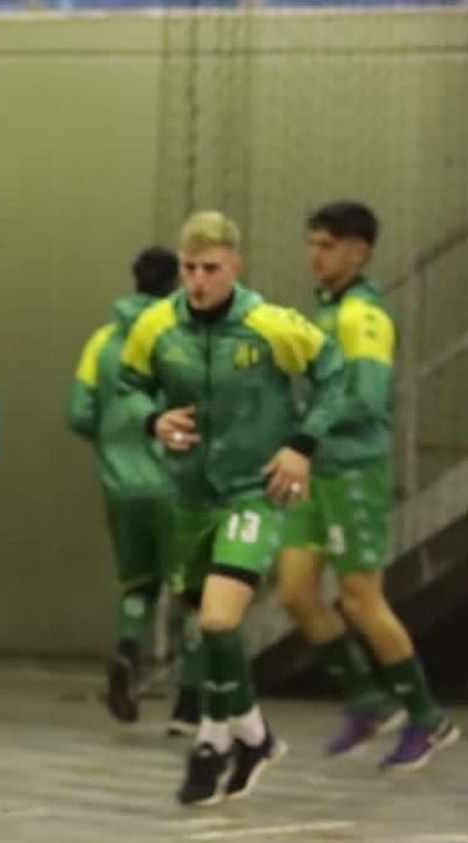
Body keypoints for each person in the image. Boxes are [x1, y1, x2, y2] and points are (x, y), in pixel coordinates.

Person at [119, 211, 349, 807]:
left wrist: (301, 447)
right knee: (207, 625)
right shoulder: (155, 327)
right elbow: (127, 385)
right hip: (189, 497)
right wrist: (153, 418)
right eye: (190, 269)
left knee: (219, 621)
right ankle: (237, 738)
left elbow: (334, 375)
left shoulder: (271, 326)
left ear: (235, 267)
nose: (198, 281)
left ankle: (228, 738)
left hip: (255, 491)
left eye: (211, 269)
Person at [272, 201, 458, 769]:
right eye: (311, 244)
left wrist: (303, 428)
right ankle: (367, 699)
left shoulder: (363, 318)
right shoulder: (324, 313)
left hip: (352, 469)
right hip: (314, 471)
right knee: (296, 592)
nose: (315, 256)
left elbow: (365, 398)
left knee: (360, 599)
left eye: (327, 245)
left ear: (359, 251)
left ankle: (429, 718)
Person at [66, 247, 202, 731]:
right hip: (176, 484)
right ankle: (189, 707)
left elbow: (80, 413)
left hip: (119, 485)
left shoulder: (103, 339)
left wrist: (115, 444)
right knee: (195, 594)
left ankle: (127, 652)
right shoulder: (180, 336)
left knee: (138, 583)